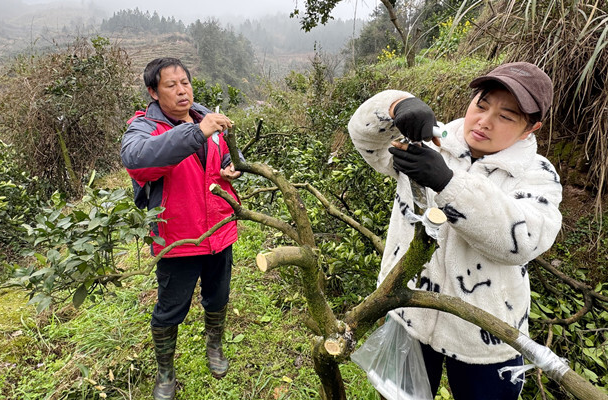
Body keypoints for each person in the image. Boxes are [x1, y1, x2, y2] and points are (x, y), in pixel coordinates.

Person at [348, 62, 562, 399]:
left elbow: (523, 240)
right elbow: (365, 138)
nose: (485, 121)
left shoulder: (536, 175)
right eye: (482, 104)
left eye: (506, 116)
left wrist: (448, 182)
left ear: (530, 128)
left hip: (486, 333)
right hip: (410, 309)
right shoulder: (432, 141)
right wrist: (397, 105)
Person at [121, 58, 242, 400]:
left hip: (218, 229)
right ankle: (165, 372)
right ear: (153, 92)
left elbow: (227, 158)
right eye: (170, 85)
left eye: (185, 83)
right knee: (171, 308)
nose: (181, 90)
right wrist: (196, 132)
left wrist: (231, 167)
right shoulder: (144, 127)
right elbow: (137, 160)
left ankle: (215, 346)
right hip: (179, 238)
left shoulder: (209, 120)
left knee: (218, 297)